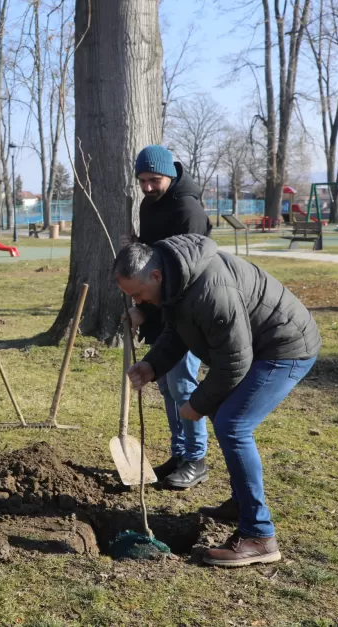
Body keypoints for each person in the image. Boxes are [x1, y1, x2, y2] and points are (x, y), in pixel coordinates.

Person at [116, 234, 321, 567]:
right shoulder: (175, 279)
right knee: (227, 416)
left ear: (155, 276)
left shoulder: (211, 292)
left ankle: (259, 535)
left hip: (285, 346)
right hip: (256, 346)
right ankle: (242, 504)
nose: (138, 302)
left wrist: (196, 405)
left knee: (233, 424)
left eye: (138, 294)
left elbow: (234, 363)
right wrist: (153, 364)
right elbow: (179, 329)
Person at [133, 144, 212, 490]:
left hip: (187, 307)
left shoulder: (187, 209)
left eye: (154, 180)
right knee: (166, 385)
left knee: (182, 385)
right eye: (142, 181)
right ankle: (179, 454)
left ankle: (197, 459)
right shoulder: (149, 205)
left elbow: (186, 270)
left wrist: (148, 305)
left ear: (170, 174)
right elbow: (155, 256)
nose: (148, 187)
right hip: (160, 307)